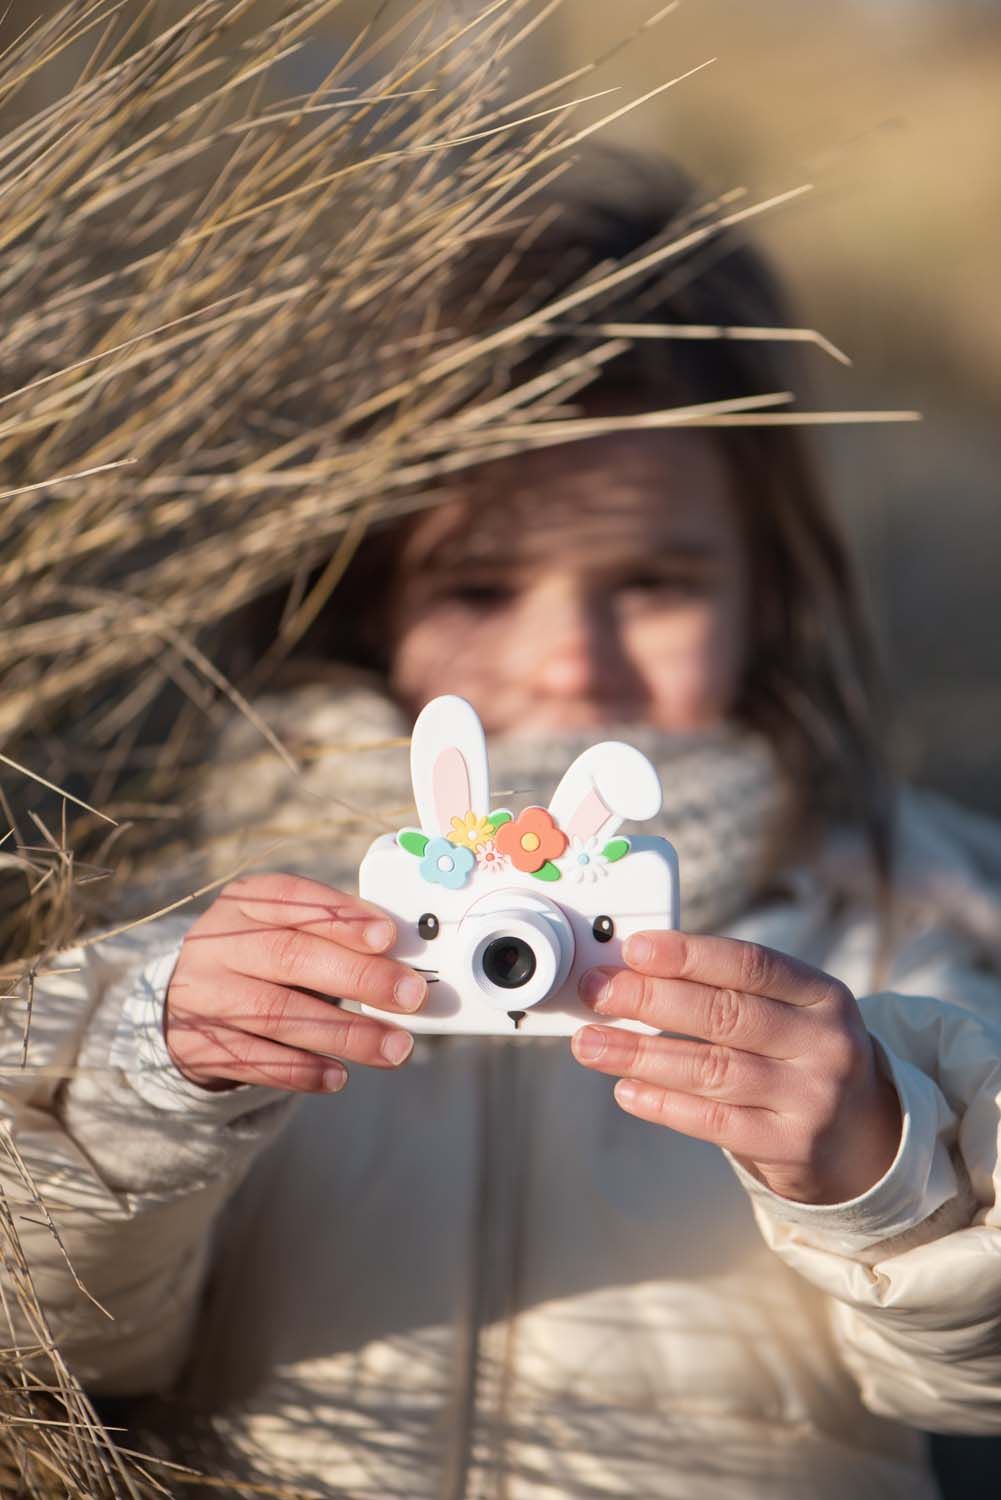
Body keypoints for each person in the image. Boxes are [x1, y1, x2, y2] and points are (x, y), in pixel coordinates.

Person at [3, 155, 1001, 1500]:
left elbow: (965, 1381)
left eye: (651, 582)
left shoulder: (886, 913)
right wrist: (146, 1084)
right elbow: (60, 1348)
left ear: (764, 596)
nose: (569, 661)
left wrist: (882, 1171)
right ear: (360, 597)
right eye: (478, 584)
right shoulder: (210, 917)